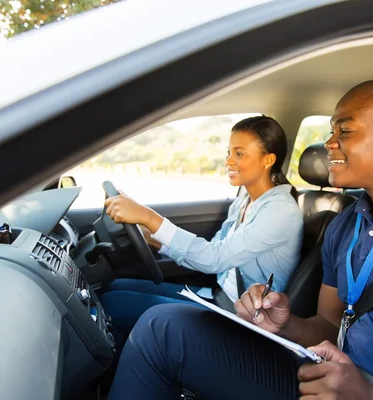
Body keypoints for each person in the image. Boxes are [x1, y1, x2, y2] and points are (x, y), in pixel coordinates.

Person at [107, 79, 373, 399]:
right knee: (166, 327)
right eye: (331, 131)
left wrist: (372, 397)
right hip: (328, 379)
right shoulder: (346, 223)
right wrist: (286, 323)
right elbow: (331, 326)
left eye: (344, 131)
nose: (328, 143)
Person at [98, 115, 304, 351]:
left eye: (239, 153)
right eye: (228, 152)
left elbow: (214, 258)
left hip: (243, 320)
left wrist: (149, 217)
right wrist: (152, 239)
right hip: (219, 297)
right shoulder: (245, 201)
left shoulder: (281, 211)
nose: (228, 161)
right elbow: (212, 248)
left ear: (268, 160)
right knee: (114, 286)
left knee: (114, 303)